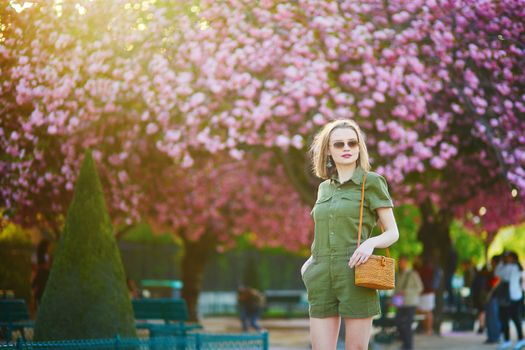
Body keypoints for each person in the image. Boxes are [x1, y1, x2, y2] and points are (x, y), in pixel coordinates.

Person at [301, 119, 399, 350]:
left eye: (352, 143)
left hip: (356, 272)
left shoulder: (371, 182)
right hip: (321, 273)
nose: (346, 148)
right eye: (339, 144)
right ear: (328, 150)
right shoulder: (324, 187)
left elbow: (393, 232)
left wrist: (370, 244)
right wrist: (309, 265)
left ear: (359, 148)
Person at [495, 251, 525, 350]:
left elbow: (503, 275)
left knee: (516, 318)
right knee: (504, 319)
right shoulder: (506, 267)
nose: (507, 259)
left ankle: (520, 339)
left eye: (508, 257)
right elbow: (498, 273)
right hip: (506, 297)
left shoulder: (515, 268)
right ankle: (507, 340)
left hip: (515, 297)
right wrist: (501, 263)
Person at [394, 255, 424, 350]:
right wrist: (394, 301)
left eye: (402, 262)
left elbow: (420, 288)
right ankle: (404, 343)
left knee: (407, 325)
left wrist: (407, 291)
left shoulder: (413, 274)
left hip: (411, 303)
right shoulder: (398, 274)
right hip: (401, 303)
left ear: (406, 262)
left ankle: (408, 346)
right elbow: (396, 290)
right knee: (398, 323)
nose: (401, 264)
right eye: (400, 262)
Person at [415, 254, 436, 335]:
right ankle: (426, 329)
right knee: (423, 312)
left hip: (427, 293)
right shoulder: (422, 268)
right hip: (423, 293)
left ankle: (429, 329)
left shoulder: (427, 268)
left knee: (428, 312)